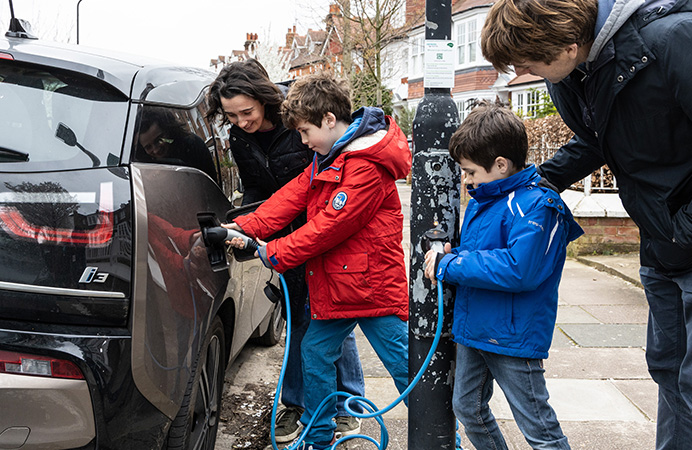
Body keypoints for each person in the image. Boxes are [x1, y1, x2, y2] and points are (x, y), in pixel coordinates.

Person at [481, 1, 692, 448]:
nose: (522, 71)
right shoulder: (571, 73)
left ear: (569, 43)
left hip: (682, 231)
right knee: (669, 370)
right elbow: (600, 136)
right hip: (661, 243)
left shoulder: (675, 39)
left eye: (528, 61)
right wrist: (536, 181)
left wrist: (686, 226)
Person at [225, 73, 411, 450]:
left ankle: (442, 436)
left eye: (307, 132)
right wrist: (243, 227)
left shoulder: (365, 166)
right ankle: (320, 435)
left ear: (329, 119)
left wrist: (272, 251)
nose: (304, 141)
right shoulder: (329, 157)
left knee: (404, 365)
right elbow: (291, 197)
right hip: (340, 284)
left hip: (371, 289)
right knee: (314, 351)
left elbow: (328, 227)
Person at [205, 61, 365, 444]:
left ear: (264, 99)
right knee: (298, 321)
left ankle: (349, 406)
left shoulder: (298, 122)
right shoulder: (241, 139)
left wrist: (302, 232)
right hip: (282, 241)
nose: (241, 122)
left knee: (331, 318)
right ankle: (297, 403)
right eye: (231, 115)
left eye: (247, 112)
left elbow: (318, 184)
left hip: (321, 234)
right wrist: (246, 225)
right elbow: (258, 191)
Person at [424, 102, 582, 450]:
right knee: (467, 407)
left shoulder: (539, 205)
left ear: (500, 165)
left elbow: (518, 269)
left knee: (538, 427)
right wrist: (459, 255)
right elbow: (484, 253)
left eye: (470, 172)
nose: (466, 180)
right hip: (474, 328)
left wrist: (448, 265)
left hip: (512, 337)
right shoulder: (487, 196)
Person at [136, 106, 217, 180]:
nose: (156, 150)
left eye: (159, 140)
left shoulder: (193, 145)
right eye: (148, 147)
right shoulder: (141, 166)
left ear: (168, 130)